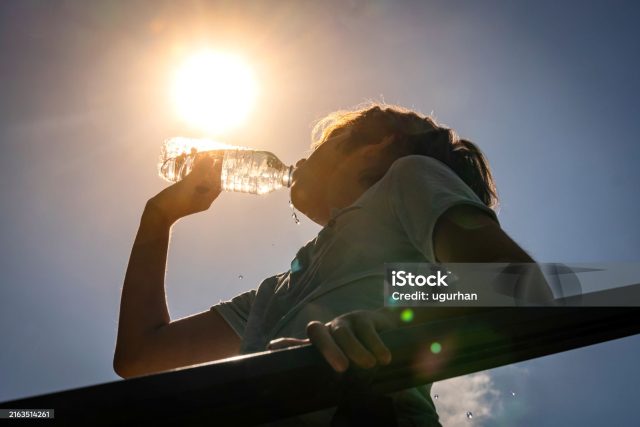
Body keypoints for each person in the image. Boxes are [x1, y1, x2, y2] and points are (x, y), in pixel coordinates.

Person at [114, 104, 552, 426]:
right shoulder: (280, 290)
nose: (303, 159)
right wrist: (157, 218)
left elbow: (519, 286)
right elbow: (140, 356)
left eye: (325, 143)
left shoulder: (407, 178)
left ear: (377, 146)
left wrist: (391, 325)